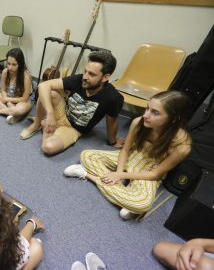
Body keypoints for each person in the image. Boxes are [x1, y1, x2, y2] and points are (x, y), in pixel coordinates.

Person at [64, 91, 192, 220]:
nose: (146, 115)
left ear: (174, 119)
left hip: (149, 172)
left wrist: (120, 175)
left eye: (155, 112)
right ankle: (126, 200)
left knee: (142, 204)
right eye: (147, 108)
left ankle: (88, 175)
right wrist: (119, 173)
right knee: (87, 155)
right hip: (131, 157)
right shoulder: (138, 122)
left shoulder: (182, 146)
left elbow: (156, 174)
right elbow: (125, 150)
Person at [19, 50, 124, 155]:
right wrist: (50, 114)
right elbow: (43, 85)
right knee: (48, 93)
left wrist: (113, 142)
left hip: (73, 129)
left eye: (91, 74)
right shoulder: (79, 79)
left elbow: (111, 122)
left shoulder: (113, 97)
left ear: (105, 77)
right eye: (85, 71)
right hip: (63, 112)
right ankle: (37, 124)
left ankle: (46, 127)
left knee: (48, 147)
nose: (85, 77)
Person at [0, 48, 32, 124]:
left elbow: (24, 98)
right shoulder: (5, 72)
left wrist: (8, 100)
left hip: (20, 100)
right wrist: (7, 100)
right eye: (8, 63)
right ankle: (11, 113)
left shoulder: (26, 76)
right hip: (8, 96)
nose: (10, 67)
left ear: (20, 64)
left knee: (19, 110)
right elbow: (3, 90)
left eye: (14, 64)